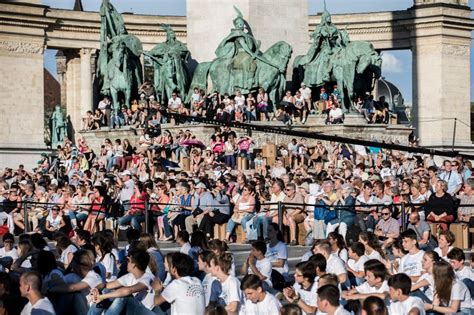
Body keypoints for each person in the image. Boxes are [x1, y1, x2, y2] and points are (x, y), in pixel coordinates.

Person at [88, 249, 155, 314]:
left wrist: (102, 296)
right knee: (101, 301)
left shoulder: (148, 277)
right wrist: (96, 290)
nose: (126, 263)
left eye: (128, 260)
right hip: (131, 310)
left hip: (145, 312)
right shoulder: (130, 276)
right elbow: (106, 285)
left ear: (134, 264)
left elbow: (129, 290)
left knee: (124, 296)